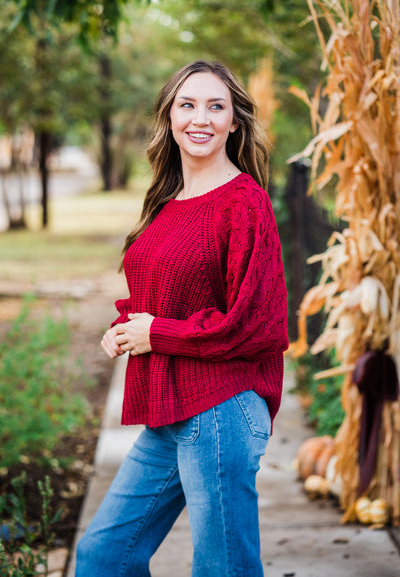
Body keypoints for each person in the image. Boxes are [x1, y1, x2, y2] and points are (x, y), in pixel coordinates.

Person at [75, 59, 288, 577]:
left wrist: (157, 333)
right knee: (102, 557)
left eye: (216, 106)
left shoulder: (244, 203)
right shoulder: (169, 200)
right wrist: (129, 324)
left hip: (222, 410)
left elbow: (254, 323)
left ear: (234, 121)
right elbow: (164, 290)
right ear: (169, 116)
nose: (201, 118)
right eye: (187, 104)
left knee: (223, 569)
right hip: (173, 412)